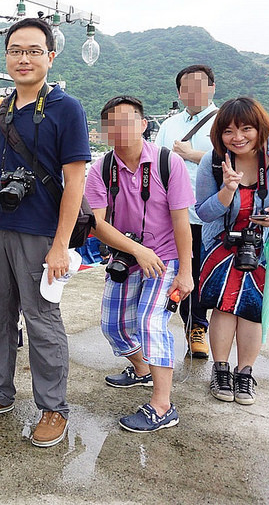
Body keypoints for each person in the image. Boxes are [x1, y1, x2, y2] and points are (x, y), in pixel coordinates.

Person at [0, 18, 90, 448]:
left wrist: (59, 245)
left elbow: (76, 182)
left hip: (39, 234)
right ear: (7, 57)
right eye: (16, 50)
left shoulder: (66, 109)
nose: (24, 58)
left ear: (50, 57)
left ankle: (53, 407)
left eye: (34, 50)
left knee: (41, 320)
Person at [85, 96, 194, 432]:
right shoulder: (100, 169)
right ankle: (142, 370)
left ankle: (162, 407)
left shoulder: (167, 163)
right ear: (105, 131)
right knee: (112, 326)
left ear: (143, 124)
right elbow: (97, 225)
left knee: (149, 323)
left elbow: (181, 222)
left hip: (165, 259)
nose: (120, 129)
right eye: (112, 123)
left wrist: (186, 272)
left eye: (128, 120)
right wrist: (137, 251)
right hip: (126, 258)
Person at [196, 97, 269, 405]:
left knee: (254, 310)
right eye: (229, 131)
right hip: (223, 244)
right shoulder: (213, 161)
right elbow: (203, 213)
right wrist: (227, 190)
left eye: (247, 128)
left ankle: (245, 374)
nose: (238, 137)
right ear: (219, 133)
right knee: (223, 306)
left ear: (261, 129)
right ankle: (220, 370)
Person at [154, 65, 219, 359]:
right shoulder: (169, 125)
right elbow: (154, 162)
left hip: (207, 215)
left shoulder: (224, 122)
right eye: (186, 87)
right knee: (169, 273)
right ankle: (156, 326)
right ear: (179, 92)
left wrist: (192, 155)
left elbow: (237, 157)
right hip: (171, 215)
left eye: (199, 86)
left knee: (200, 274)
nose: (192, 92)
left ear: (212, 88)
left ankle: (197, 327)